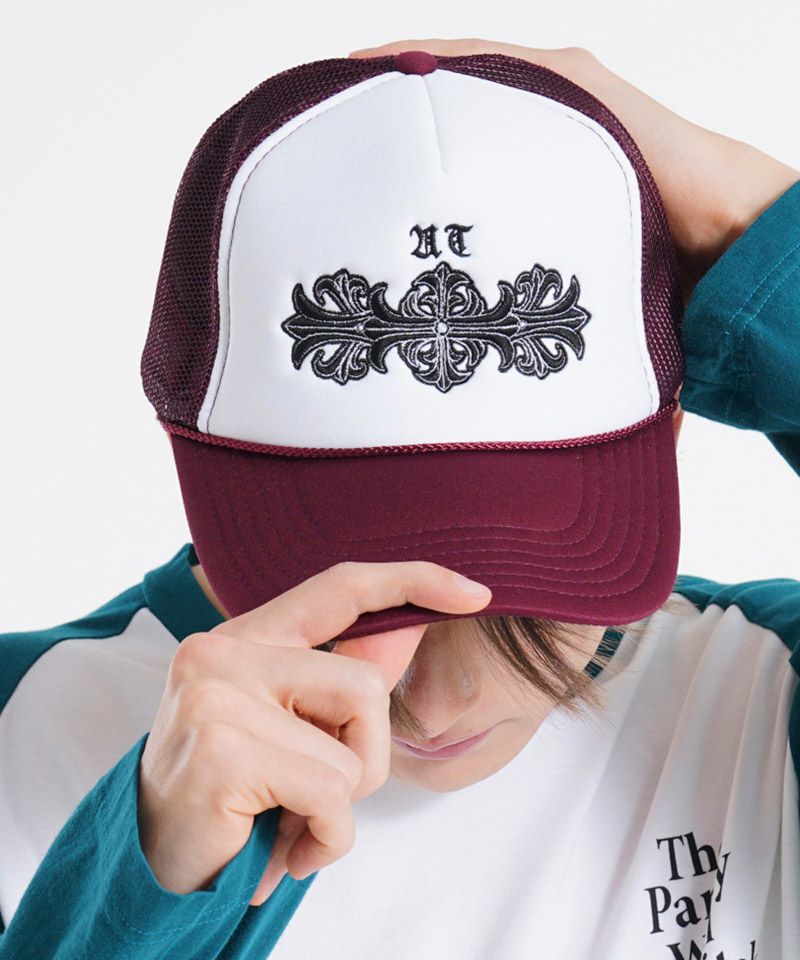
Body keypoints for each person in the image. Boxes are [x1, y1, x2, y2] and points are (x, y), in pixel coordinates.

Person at [0, 36, 798, 960]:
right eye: (361, 599)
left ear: (666, 434)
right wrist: (134, 900)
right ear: (197, 458)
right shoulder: (24, 728)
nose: (436, 702)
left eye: (526, 586)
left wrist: (762, 230)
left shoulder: (762, 690)